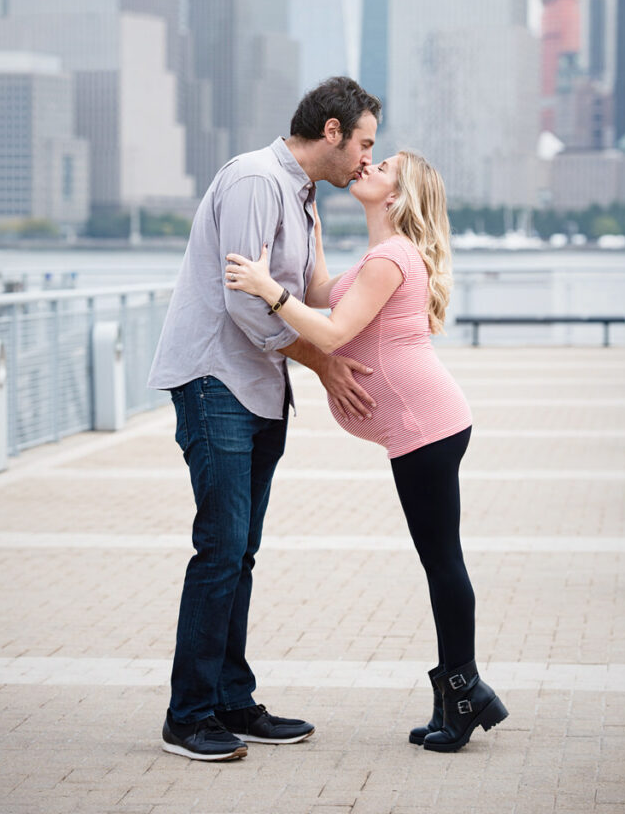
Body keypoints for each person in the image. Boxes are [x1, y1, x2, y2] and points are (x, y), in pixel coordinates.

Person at [225, 149, 509, 753]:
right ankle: (455, 693)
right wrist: (315, 238)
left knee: (442, 560)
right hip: (424, 426)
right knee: (440, 558)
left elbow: (329, 332)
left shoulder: (393, 258)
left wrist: (265, 288)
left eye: (385, 166)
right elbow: (327, 292)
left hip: (426, 426)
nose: (368, 165)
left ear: (398, 195)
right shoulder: (381, 257)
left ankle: (465, 692)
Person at [148, 76, 381, 761]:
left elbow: (312, 292)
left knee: (240, 552)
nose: (368, 158)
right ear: (332, 131)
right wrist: (322, 360)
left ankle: (231, 700)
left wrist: (388, 244)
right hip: (215, 379)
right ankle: (187, 716)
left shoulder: (303, 194)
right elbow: (247, 302)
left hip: (258, 387)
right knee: (220, 548)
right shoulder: (255, 179)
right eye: (364, 143)